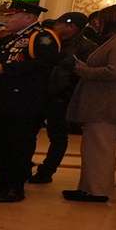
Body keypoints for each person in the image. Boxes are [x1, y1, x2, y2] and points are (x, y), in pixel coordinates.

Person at [0, 0, 61, 202]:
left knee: (18, 146)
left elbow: (45, 65)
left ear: (28, 17)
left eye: (13, 16)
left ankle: (15, 187)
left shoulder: (41, 37)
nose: (8, 20)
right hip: (3, 100)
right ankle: (2, 182)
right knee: (2, 144)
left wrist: (5, 69)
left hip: (24, 102)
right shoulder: (12, 39)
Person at [64, 4, 116, 204]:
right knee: (92, 149)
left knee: (100, 148)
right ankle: (88, 187)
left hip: (104, 104)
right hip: (100, 102)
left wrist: (84, 70)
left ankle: (97, 190)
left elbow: (113, 72)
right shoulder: (111, 41)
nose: (96, 24)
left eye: (100, 20)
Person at [31, 13, 90, 185]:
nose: (55, 27)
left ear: (71, 27)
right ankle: (23, 165)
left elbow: (82, 73)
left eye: (59, 24)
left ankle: (47, 171)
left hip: (62, 97)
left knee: (58, 137)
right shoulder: (48, 40)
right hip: (39, 93)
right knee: (28, 132)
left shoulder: (85, 47)